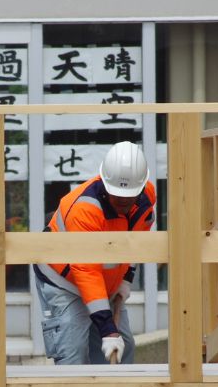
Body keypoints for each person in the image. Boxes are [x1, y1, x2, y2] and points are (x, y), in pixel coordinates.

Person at [33, 141, 156, 365]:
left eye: (128, 198)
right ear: (105, 183)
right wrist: (108, 329)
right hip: (64, 282)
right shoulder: (84, 209)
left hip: (104, 284)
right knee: (73, 353)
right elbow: (86, 270)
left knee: (123, 347)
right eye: (117, 196)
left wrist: (126, 278)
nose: (122, 202)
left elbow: (135, 240)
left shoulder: (146, 197)